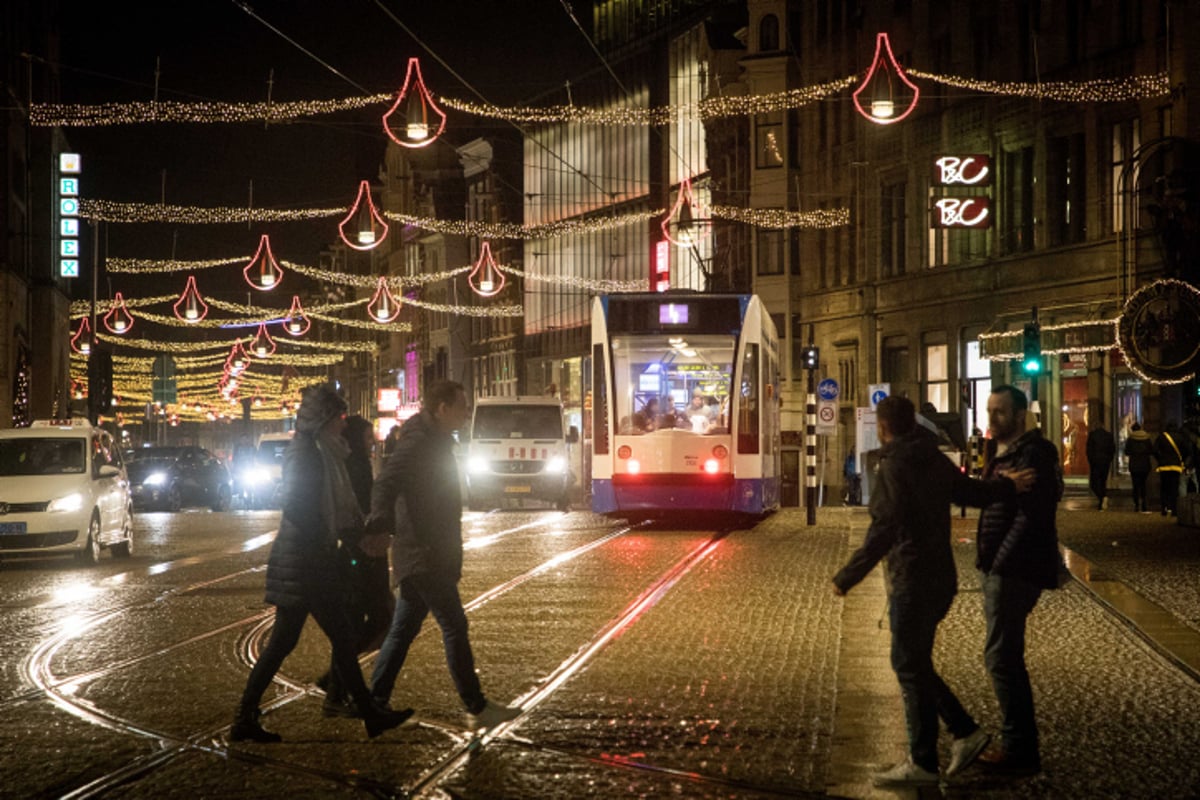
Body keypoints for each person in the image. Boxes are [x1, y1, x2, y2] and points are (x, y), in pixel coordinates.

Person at [832, 395, 1030, 787]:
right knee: (915, 662)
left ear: (884, 427)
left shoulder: (893, 465)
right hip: (942, 580)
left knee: (908, 664)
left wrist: (847, 577)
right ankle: (960, 733)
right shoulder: (932, 457)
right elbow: (971, 494)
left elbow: (884, 529)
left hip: (912, 579)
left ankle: (928, 757)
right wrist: (1007, 487)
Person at [230, 384, 412, 743]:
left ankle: (245, 717)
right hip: (307, 561)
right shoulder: (308, 454)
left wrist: (353, 531)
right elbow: (299, 507)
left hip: (309, 559)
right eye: (339, 418)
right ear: (324, 420)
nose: (344, 425)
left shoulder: (324, 452)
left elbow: (331, 508)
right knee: (338, 637)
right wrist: (340, 536)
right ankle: (368, 713)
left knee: (290, 641)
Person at [367, 380, 521, 730]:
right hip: (425, 551)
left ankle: (375, 701)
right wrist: (380, 522)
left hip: (426, 550)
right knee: (454, 625)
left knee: (403, 629)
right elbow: (385, 482)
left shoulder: (433, 441)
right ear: (442, 409)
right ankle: (476, 705)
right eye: (462, 407)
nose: (466, 414)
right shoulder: (419, 443)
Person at [973, 385, 1064, 775]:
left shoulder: (1034, 454)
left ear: (1021, 416)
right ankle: (1018, 745)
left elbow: (1031, 516)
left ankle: (1019, 750)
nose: (992, 420)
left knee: (1002, 657)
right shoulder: (1004, 453)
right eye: (990, 411)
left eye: (1000, 413)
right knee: (1003, 656)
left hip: (1014, 570)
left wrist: (1000, 563)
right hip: (1001, 567)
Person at [320, 415, 396, 718]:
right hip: (362, 554)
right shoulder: (354, 467)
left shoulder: (355, 464)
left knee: (360, 623)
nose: (372, 444)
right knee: (378, 619)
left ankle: (336, 685)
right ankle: (338, 684)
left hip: (363, 551)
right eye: (367, 439)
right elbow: (357, 510)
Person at [1155, 421, 1186, 516]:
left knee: (1164, 488)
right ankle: (1174, 510)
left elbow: (1155, 450)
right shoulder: (1180, 437)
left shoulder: (1161, 437)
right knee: (1174, 488)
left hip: (1164, 466)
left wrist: (1160, 459)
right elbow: (1186, 451)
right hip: (1176, 467)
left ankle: (1164, 508)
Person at [1124, 423, 1155, 513]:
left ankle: (1136, 504)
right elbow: (1151, 450)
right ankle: (1144, 503)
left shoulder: (1131, 439)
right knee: (1143, 484)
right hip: (1145, 464)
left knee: (1135, 485)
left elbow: (1127, 451)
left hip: (1134, 465)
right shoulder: (1146, 438)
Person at [1085, 421, 1116, 510]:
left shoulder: (1092, 435)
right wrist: (1109, 459)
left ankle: (1102, 498)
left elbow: (1089, 449)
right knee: (1103, 481)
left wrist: (1091, 461)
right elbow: (1112, 449)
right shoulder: (1109, 435)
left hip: (1095, 462)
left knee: (1094, 483)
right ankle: (1102, 499)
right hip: (1105, 462)